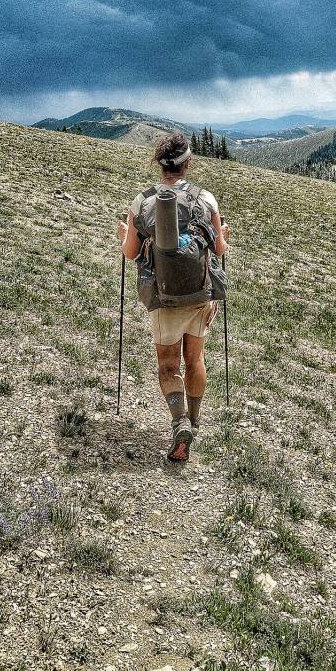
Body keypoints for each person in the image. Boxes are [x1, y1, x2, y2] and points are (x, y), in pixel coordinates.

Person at [117, 132, 230, 462]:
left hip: (163, 297)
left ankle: (179, 421)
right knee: (195, 359)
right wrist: (222, 234)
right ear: (187, 163)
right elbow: (219, 249)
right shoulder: (206, 199)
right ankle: (193, 421)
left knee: (168, 365)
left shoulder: (143, 201)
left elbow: (130, 252)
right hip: (201, 293)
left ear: (160, 165)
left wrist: (124, 235)